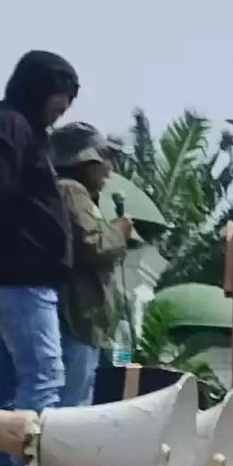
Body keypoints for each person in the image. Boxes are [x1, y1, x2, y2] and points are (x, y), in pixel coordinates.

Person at [0, 49, 82, 466]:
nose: (63, 106)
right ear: (38, 88)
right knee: (45, 376)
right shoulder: (9, 128)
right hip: (18, 276)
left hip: (14, 276)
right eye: (59, 95)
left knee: (8, 380)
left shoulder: (18, 128)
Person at [47, 125, 133, 406]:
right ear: (86, 162)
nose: (109, 169)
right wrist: (118, 233)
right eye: (105, 158)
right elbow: (93, 245)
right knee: (71, 409)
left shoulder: (69, 192)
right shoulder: (71, 190)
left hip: (79, 321)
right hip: (76, 318)